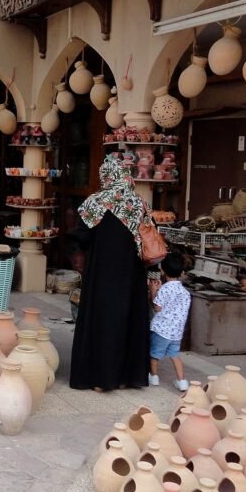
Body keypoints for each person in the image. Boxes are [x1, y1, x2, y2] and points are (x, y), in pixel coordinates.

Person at [69, 155, 151, 392]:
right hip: (132, 275)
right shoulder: (139, 204)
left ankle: (101, 379)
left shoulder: (95, 203)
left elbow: (82, 235)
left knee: (103, 320)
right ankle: (126, 378)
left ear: (106, 176)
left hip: (102, 274)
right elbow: (148, 236)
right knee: (128, 319)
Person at [148, 253, 192, 391]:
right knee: (174, 354)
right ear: (181, 272)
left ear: (162, 271)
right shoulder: (185, 292)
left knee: (154, 354)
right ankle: (182, 381)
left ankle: (154, 377)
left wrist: (153, 291)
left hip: (161, 330)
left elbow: (157, 307)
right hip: (176, 332)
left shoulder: (165, 289)